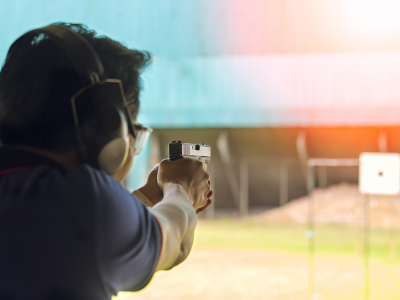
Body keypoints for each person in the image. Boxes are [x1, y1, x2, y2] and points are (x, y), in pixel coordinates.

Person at [0, 23, 212, 300]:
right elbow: (173, 239)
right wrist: (181, 186)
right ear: (105, 131)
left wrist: (147, 196)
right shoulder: (84, 202)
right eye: (132, 131)